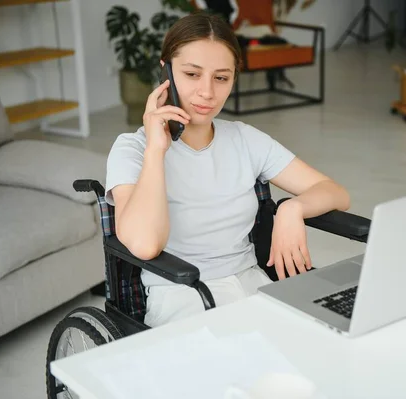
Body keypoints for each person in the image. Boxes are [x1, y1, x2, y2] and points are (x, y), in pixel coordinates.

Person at [105, 12, 350, 328]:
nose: (207, 92)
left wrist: (292, 208)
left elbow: (335, 192)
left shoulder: (244, 139)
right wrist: (156, 150)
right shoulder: (132, 149)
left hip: (251, 286)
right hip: (181, 295)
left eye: (221, 78)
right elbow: (145, 245)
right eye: (192, 74)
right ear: (165, 71)